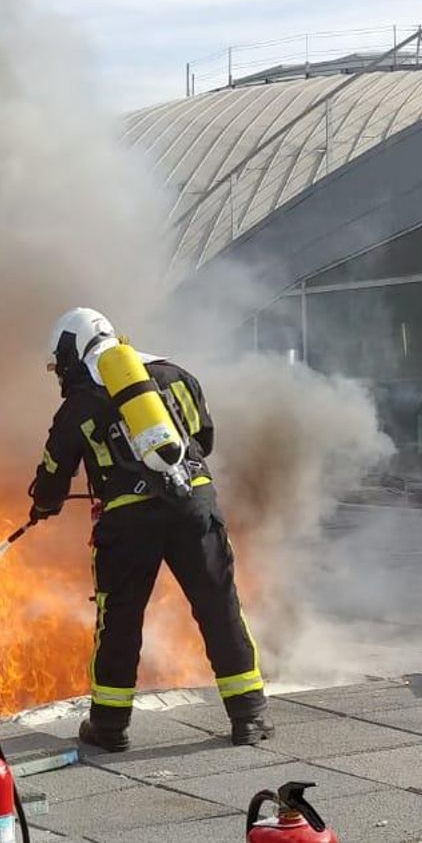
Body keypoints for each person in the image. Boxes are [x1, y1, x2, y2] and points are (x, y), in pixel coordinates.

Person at [29, 307, 272, 751]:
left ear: (72, 353)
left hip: (127, 525)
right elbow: (205, 437)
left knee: (119, 621)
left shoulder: (78, 406)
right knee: (219, 607)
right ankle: (249, 716)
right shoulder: (176, 374)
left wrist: (43, 503)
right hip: (194, 507)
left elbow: (53, 472)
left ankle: (110, 727)